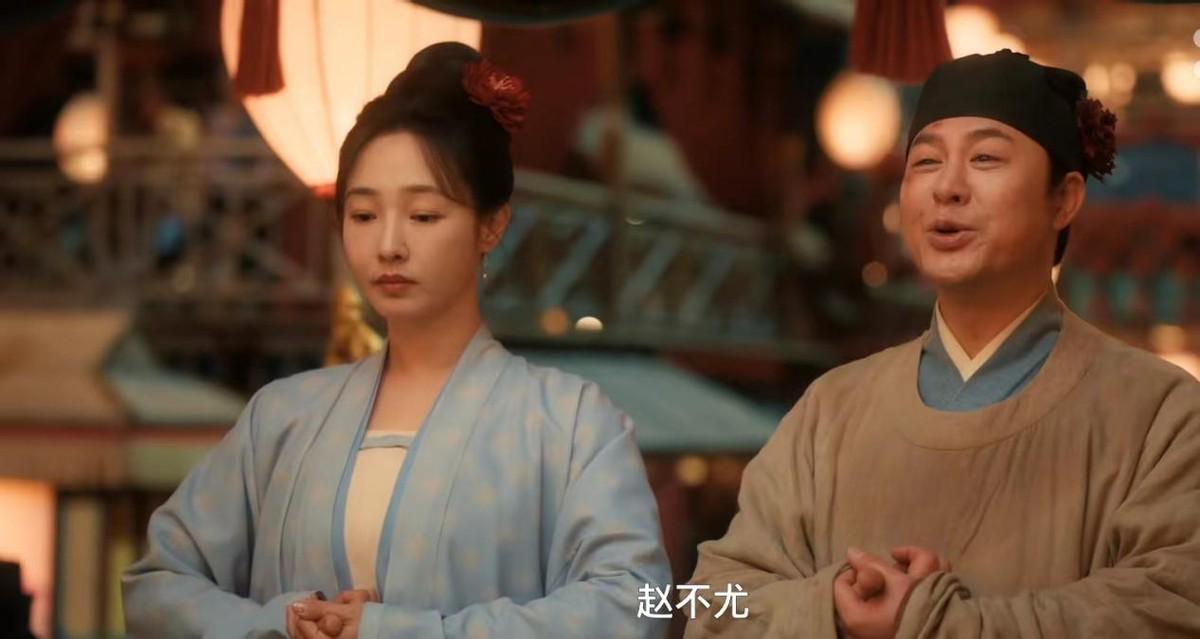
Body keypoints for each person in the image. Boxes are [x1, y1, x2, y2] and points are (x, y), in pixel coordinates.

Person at [123, 42, 671, 639]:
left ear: (492, 224)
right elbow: (156, 582)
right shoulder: (280, 419)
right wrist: (279, 623)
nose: (388, 245)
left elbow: (634, 602)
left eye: (423, 216)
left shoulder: (570, 424)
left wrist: (407, 632)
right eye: (363, 216)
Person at [685, 50, 1200, 638]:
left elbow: (1173, 605)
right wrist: (834, 608)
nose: (948, 188)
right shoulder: (829, 411)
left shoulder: (1161, 415)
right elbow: (717, 605)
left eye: (985, 158)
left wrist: (935, 623)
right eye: (926, 161)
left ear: (1064, 198)